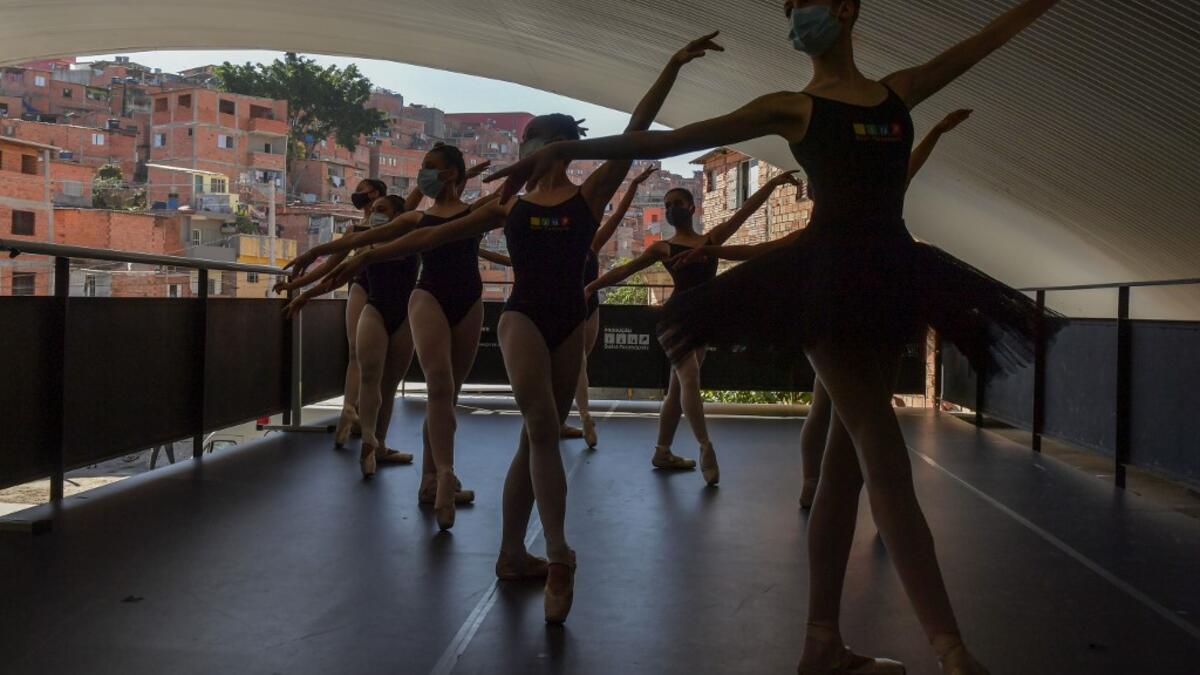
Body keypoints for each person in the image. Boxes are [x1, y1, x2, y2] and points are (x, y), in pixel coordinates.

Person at [488, 2, 1061, 671]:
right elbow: (672, 140)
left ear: (847, 8)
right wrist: (572, 148)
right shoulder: (794, 108)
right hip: (824, 283)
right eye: (791, 8)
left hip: (893, 277)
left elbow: (983, 40)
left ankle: (821, 640)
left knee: (846, 473)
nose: (795, 15)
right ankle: (951, 646)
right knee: (884, 454)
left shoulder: (900, 91)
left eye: (805, 3)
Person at [321, 34, 725, 624]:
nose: (522, 146)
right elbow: (418, 236)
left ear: (553, 147)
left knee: (531, 444)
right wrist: (346, 250)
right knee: (540, 426)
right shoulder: (508, 207)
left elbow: (638, 133)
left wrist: (670, 66)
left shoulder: (590, 196)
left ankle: (513, 554)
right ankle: (560, 553)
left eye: (530, 138)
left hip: (567, 324)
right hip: (522, 320)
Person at [284, 147, 490, 522]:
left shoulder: (474, 213)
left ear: (451, 174)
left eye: (430, 168)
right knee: (437, 388)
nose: (422, 174)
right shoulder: (417, 217)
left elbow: (510, 203)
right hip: (425, 297)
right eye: (422, 167)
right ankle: (438, 473)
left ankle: (431, 478)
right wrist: (311, 256)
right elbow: (353, 247)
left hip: (469, 302)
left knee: (448, 394)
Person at [796, 108, 974, 509]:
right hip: (850, 307)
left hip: (870, 305)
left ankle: (831, 489)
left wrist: (937, 133)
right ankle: (825, 487)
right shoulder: (828, 220)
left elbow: (907, 168)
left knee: (842, 408)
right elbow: (905, 169)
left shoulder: (862, 202)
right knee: (842, 409)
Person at [587, 170, 803, 484]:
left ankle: (662, 450)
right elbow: (625, 270)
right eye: (667, 204)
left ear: (691, 209)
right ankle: (705, 447)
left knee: (677, 389)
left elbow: (743, 214)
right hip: (675, 317)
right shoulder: (663, 248)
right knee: (689, 379)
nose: (671, 208)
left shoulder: (710, 241)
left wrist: (769, 184)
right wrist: (591, 287)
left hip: (704, 318)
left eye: (677, 202)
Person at [480, 163, 661, 448]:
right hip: (560, 304)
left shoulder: (592, 244)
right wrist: (478, 249)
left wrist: (634, 187)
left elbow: (615, 218)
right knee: (568, 368)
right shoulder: (541, 243)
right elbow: (511, 260)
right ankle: (575, 417)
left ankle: (572, 417)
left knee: (579, 365)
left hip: (584, 309)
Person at [284, 194, 422, 476]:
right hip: (375, 312)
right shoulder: (367, 243)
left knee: (389, 384)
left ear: (399, 214)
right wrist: (305, 295)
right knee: (370, 377)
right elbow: (338, 275)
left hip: (405, 317)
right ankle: (369, 440)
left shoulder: (412, 235)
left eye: (382, 210)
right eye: (373, 210)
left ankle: (378, 443)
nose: (374, 213)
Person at [276, 178, 387, 449]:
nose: (357, 194)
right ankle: (348, 414)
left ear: (376, 193)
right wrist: (295, 286)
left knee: (375, 361)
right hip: (361, 285)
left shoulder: (394, 224)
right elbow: (329, 267)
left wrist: (300, 289)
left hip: (386, 289)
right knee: (354, 352)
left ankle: (365, 421)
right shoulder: (354, 229)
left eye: (362, 190)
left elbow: (329, 266)